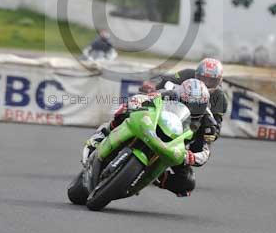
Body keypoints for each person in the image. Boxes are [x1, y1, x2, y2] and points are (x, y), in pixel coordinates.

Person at [82, 78, 217, 197]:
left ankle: (157, 177)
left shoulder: (208, 123)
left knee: (187, 183)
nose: (191, 108)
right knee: (127, 109)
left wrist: (192, 157)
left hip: (174, 146)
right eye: (187, 103)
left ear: (204, 105)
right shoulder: (170, 94)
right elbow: (148, 97)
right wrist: (135, 103)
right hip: (153, 126)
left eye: (197, 106)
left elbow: (205, 151)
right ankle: (103, 134)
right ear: (180, 96)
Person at [143, 58, 228, 134]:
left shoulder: (220, 97)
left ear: (219, 81)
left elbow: (216, 124)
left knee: (202, 144)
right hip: (176, 114)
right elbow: (167, 80)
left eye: (212, 81)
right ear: (196, 75)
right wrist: (154, 87)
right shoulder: (187, 74)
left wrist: (212, 133)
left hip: (197, 126)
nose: (206, 84)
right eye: (203, 79)